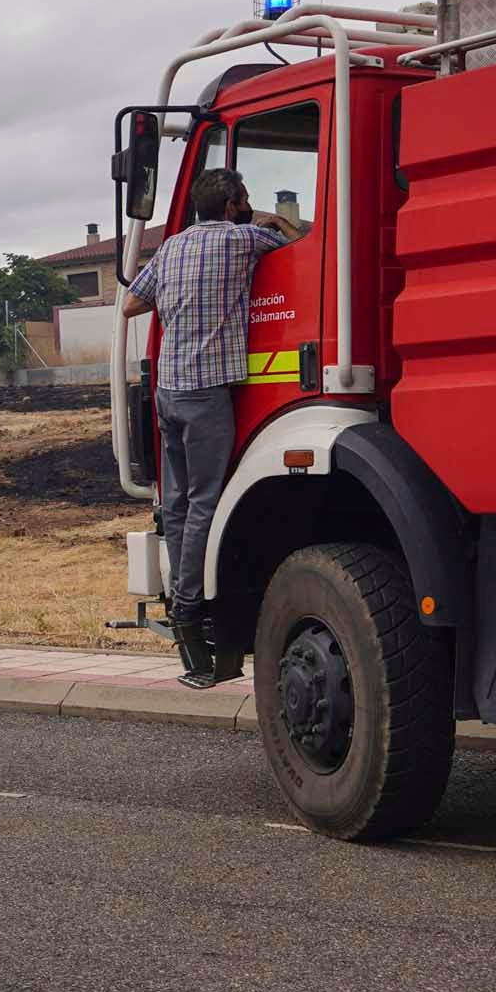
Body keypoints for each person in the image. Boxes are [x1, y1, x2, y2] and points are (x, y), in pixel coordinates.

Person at [121, 167, 297, 689]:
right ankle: (194, 611)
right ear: (233, 204)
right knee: (204, 502)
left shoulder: (173, 247)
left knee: (176, 506)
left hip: (168, 392)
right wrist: (275, 224)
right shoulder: (245, 239)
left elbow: (132, 303)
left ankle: (181, 605)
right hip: (205, 395)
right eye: (244, 199)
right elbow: (306, 240)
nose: (247, 205)